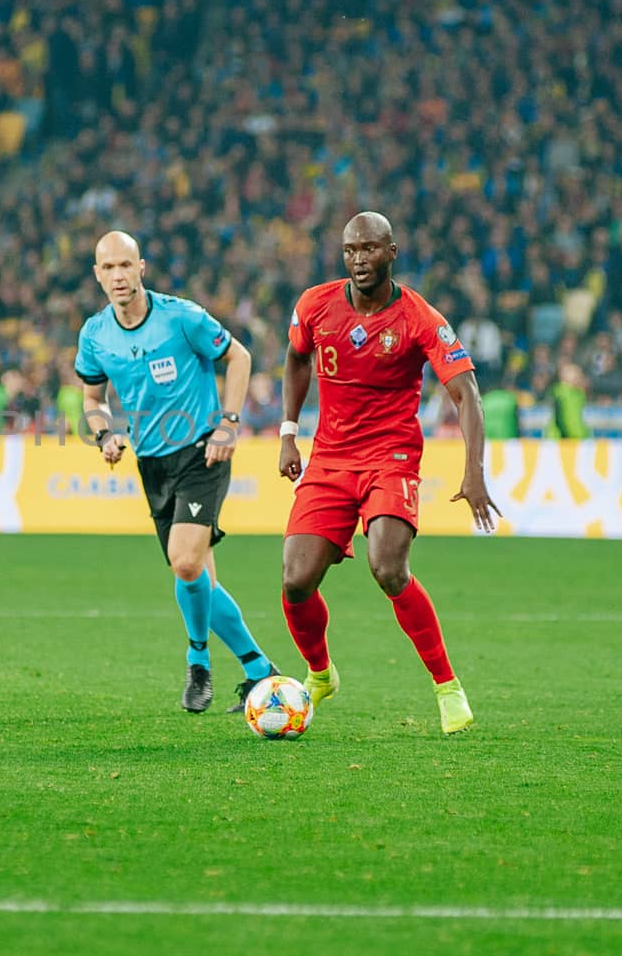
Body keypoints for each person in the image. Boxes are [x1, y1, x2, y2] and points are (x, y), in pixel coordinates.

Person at [277, 211, 500, 735]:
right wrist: (289, 431)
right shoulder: (314, 304)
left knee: (388, 567)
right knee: (295, 580)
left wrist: (474, 473)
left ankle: (448, 688)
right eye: (351, 250)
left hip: (391, 456)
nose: (359, 260)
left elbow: (466, 394)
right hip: (330, 457)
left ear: (392, 252)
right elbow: (294, 358)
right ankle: (321, 673)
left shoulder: (419, 318)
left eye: (370, 249)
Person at [75, 230, 279, 714]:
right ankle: (259, 671)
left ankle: (198, 662)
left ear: (141, 267)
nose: (119, 276)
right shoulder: (95, 335)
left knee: (185, 562)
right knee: (199, 579)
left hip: (202, 453)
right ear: (97, 275)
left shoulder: (180, 317)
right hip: (152, 463)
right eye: (109, 268)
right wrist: (105, 435)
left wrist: (229, 425)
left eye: (127, 265)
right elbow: (91, 398)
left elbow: (239, 357)